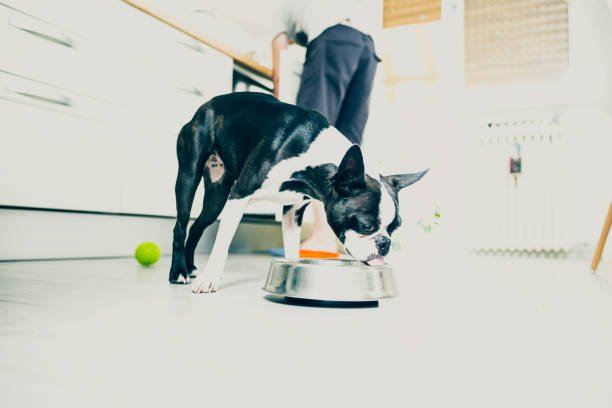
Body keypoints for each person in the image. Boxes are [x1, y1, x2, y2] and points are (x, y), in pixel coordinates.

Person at [271, 0, 380, 255]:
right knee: (346, 148)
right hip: (367, 47)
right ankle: (348, 234)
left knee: (315, 140)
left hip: (333, 40)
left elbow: (279, 51)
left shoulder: (283, 9)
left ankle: (322, 236)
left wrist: (277, 97)